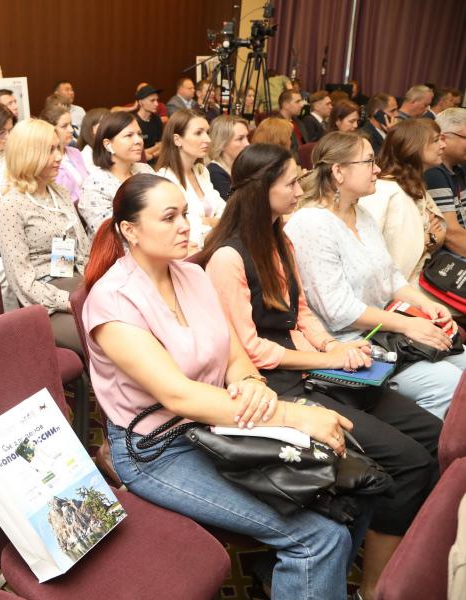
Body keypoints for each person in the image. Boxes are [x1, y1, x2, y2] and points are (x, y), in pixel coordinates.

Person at [82, 172, 363, 600]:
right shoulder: (112, 301)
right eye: (169, 217)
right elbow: (179, 395)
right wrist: (291, 415)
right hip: (158, 449)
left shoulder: (191, 275)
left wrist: (251, 382)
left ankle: (288, 580)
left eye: (185, 214)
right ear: (130, 230)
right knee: (319, 538)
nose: (185, 226)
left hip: (218, 424)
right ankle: (299, 572)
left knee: (353, 489)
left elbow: (233, 354)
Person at [198, 143, 442, 598]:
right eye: (291, 182)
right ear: (261, 191)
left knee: (433, 435)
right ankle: (375, 586)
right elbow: (250, 350)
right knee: (409, 463)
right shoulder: (228, 258)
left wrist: (333, 345)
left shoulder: (280, 238)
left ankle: (386, 558)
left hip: (311, 368)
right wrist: (327, 358)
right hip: (275, 385)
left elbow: (302, 310)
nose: (300, 190)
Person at [285, 131, 465, 419]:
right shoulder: (312, 224)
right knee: (451, 385)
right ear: (338, 172)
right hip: (352, 345)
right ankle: (434, 442)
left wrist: (427, 305)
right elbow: (338, 311)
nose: (378, 169)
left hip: (386, 332)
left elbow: (391, 277)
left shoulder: (362, 215)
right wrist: (408, 325)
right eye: (369, 161)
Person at [0, 120, 90, 354]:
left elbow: (83, 249)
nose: (59, 156)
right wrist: (68, 301)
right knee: (100, 336)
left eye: (58, 148)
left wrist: (95, 283)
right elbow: (21, 281)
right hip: (45, 301)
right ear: (28, 154)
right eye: (50, 150)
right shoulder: (12, 205)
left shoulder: (59, 193)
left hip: (75, 280)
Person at [360, 119, 447, 283]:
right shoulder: (384, 190)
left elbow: (440, 232)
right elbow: (370, 250)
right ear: (413, 147)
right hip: (400, 285)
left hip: (422, 274)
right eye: (436, 140)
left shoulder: (413, 185)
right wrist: (429, 239)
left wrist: (431, 238)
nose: (443, 145)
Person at [154, 110, 224, 249]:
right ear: (177, 140)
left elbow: (224, 209)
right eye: (198, 133)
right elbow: (183, 228)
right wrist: (214, 223)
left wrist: (207, 222)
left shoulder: (201, 171)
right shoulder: (164, 179)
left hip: (213, 244)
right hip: (187, 250)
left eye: (207, 132)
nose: (208, 139)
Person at [78, 111, 153, 235]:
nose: (139, 140)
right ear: (108, 144)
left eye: (139, 134)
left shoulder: (145, 170)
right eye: (129, 135)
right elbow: (111, 233)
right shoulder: (94, 185)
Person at [425, 108, 466, 257]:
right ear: (443, 138)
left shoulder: (457, 169)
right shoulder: (434, 173)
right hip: (450, 259)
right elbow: (451, 234)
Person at [39, 103, 89, 204]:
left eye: (70, 124)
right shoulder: (45, 160)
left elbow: (88, 183)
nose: (71, 130)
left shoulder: (75, 152)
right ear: (50, 129)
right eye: (64, 126)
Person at [206, 114, 250, 200]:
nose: (247, 144)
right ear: (222, 143)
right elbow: (233, 203)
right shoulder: (215, 173)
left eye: (247, 137)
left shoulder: (242, 167)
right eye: (240, 139)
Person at [134, 84, 163, 165]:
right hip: (138, 164)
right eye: (152, 100)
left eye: (157, 100)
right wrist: (156, 147)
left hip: (157, 162)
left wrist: (152, 155)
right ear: (141, 103)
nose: (156, 104)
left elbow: (162, 145)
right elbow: (136, 152)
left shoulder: (157, 119)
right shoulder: (134, 122)